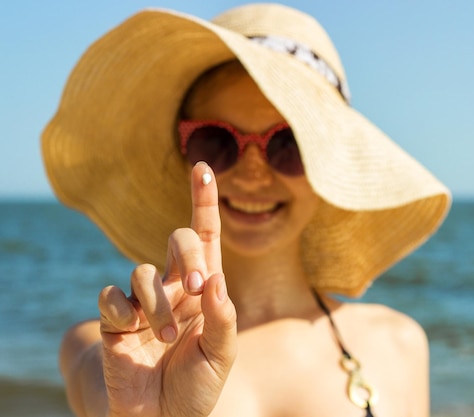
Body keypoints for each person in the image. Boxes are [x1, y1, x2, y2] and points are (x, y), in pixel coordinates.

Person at [42, 3, 451, 417]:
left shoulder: (400, 344)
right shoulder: (108, 349)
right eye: (217, 141)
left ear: (329, 164)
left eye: (288, 144)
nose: (254, 173)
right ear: (183, 154)